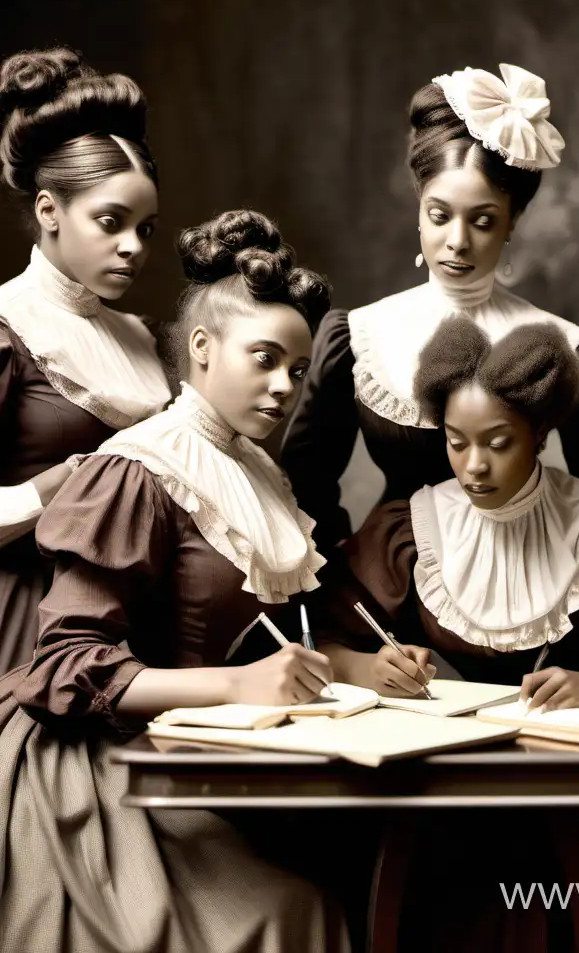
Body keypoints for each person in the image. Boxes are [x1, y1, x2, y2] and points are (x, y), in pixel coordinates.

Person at [0, 210, 349, 951]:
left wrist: (360, 663)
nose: (284, 387)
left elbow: (273, 636)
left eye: (296, 368)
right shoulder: (141, 468)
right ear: (201, 349)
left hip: (208, 748)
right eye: (263, 359)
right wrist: (237, 687)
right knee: (285, 907)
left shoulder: (257, 469)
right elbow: (65, 667)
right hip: (94, 759)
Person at [280, 63, 579, 550]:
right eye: (440, 216)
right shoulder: (357, 337)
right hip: (395, 578)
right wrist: (345, 576)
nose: (457, 242)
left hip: (526, 574)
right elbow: (306, 487)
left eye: (483, 221)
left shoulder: (570, 346)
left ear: (512, 224)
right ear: (419, 207)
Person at [317, 317, 579, 697]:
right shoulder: (409, 530)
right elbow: (319, 643)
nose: (474, 466)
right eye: (457, 442)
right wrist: (367, 668)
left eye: (497, 444)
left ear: (540, 435)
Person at [0, 46, 171, 673]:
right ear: (49, 211)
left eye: (145, 229)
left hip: (143, 623)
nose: (132, 247)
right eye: (111, 222)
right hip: (30, 624)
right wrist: (58, 485)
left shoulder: (149, 339)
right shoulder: (7, 329)